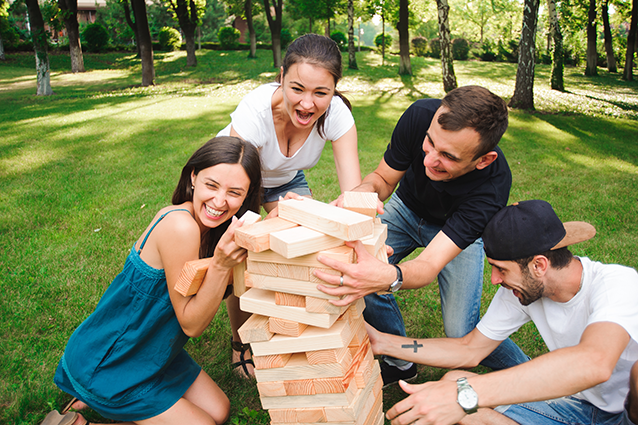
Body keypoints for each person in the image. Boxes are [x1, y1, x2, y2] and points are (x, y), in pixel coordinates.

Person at [315, 85, 529, 387]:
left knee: (460, 332)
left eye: (448, 157)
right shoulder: (419, 116)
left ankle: (535, 374)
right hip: (406, 208)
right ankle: (401, 363)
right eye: (429, 143)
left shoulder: (491, 190)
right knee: (357, 271)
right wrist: (362, 193)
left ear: (484, 159)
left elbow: (429, 265)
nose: (429, 160)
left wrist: (386, 274)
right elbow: (384, 179)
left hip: (454, 231)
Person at [45, 137, 262, 425]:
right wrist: (221, 264)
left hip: (153, 351)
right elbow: (192, 324)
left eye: (234, 192)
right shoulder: (180, 226)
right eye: (212, 185)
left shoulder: (216, 230)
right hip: (114, 358)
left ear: (246, 196)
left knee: (219, 410)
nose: (220, 202)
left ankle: (102, 403)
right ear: (194, 177)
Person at [366, 199, 638, 425]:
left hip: (626, 413)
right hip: (575, 405)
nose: (495, 279)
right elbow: (469, 350)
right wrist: (384, 342)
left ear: (539, 265)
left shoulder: (617, 283)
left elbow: (594, 363)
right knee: (455, 382)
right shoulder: (520, 290)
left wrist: (468, 395)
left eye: (501, 269)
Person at [217, 33, 361, 214]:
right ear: (283, 76)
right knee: (239, 237)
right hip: (233, 179)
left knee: (306, 231)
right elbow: (233, 184)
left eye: (321, 93)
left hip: (285, 181)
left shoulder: (337, 114)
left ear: (335, 85)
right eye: (297, 89)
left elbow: (354, 195)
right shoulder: (255, 110)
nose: (307, 104)